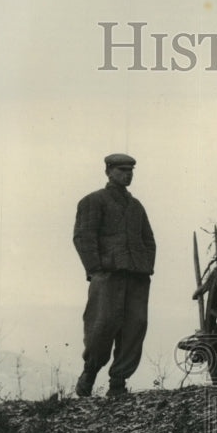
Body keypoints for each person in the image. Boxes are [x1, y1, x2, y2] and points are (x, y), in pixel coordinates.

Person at [73, 153, 157, 398]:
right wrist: (96, 268)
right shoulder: (93, 201)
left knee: (135, 327)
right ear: (108, 172)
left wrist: (145, 266)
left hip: (137, 277)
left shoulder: (136, 206)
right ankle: (89, 373)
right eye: (121, 170)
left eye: (130, 171)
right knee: (102, 326)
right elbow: (83, 237)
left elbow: (149, 240)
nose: (127, 175)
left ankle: (118, 383)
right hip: (107, 276)